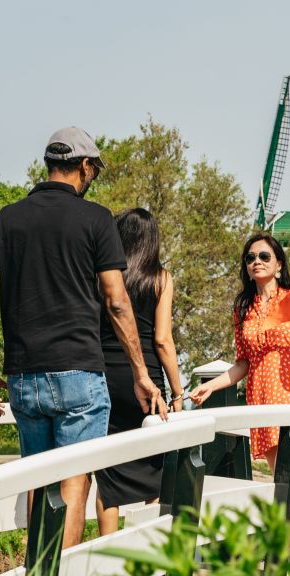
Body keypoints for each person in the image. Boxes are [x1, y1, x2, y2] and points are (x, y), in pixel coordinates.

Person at [0, 127, 167, 549]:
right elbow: (116, 301)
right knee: (74, 484)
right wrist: (139, 372)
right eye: (93, 168)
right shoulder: (95, 218)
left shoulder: (10, 218)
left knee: (37, 481)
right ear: (83, 166)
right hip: (79, 371)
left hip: (24, 375)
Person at [190, 233, 290, 572]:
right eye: (249, 258)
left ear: (278, 263)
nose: (255, 261)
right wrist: (211, 388)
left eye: (263, 255)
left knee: (285, 476)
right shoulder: (243, 308)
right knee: (283, 477)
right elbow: (242, 362)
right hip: (261, 395)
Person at [94, 208, 184, 536]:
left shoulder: (101, 276)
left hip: (105, 378)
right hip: (147, 381)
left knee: (108, 472)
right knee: (155, 468)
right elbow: (162, 340)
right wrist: (177, 392)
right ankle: (151, 556)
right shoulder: (160, 278)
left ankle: (107, 558)